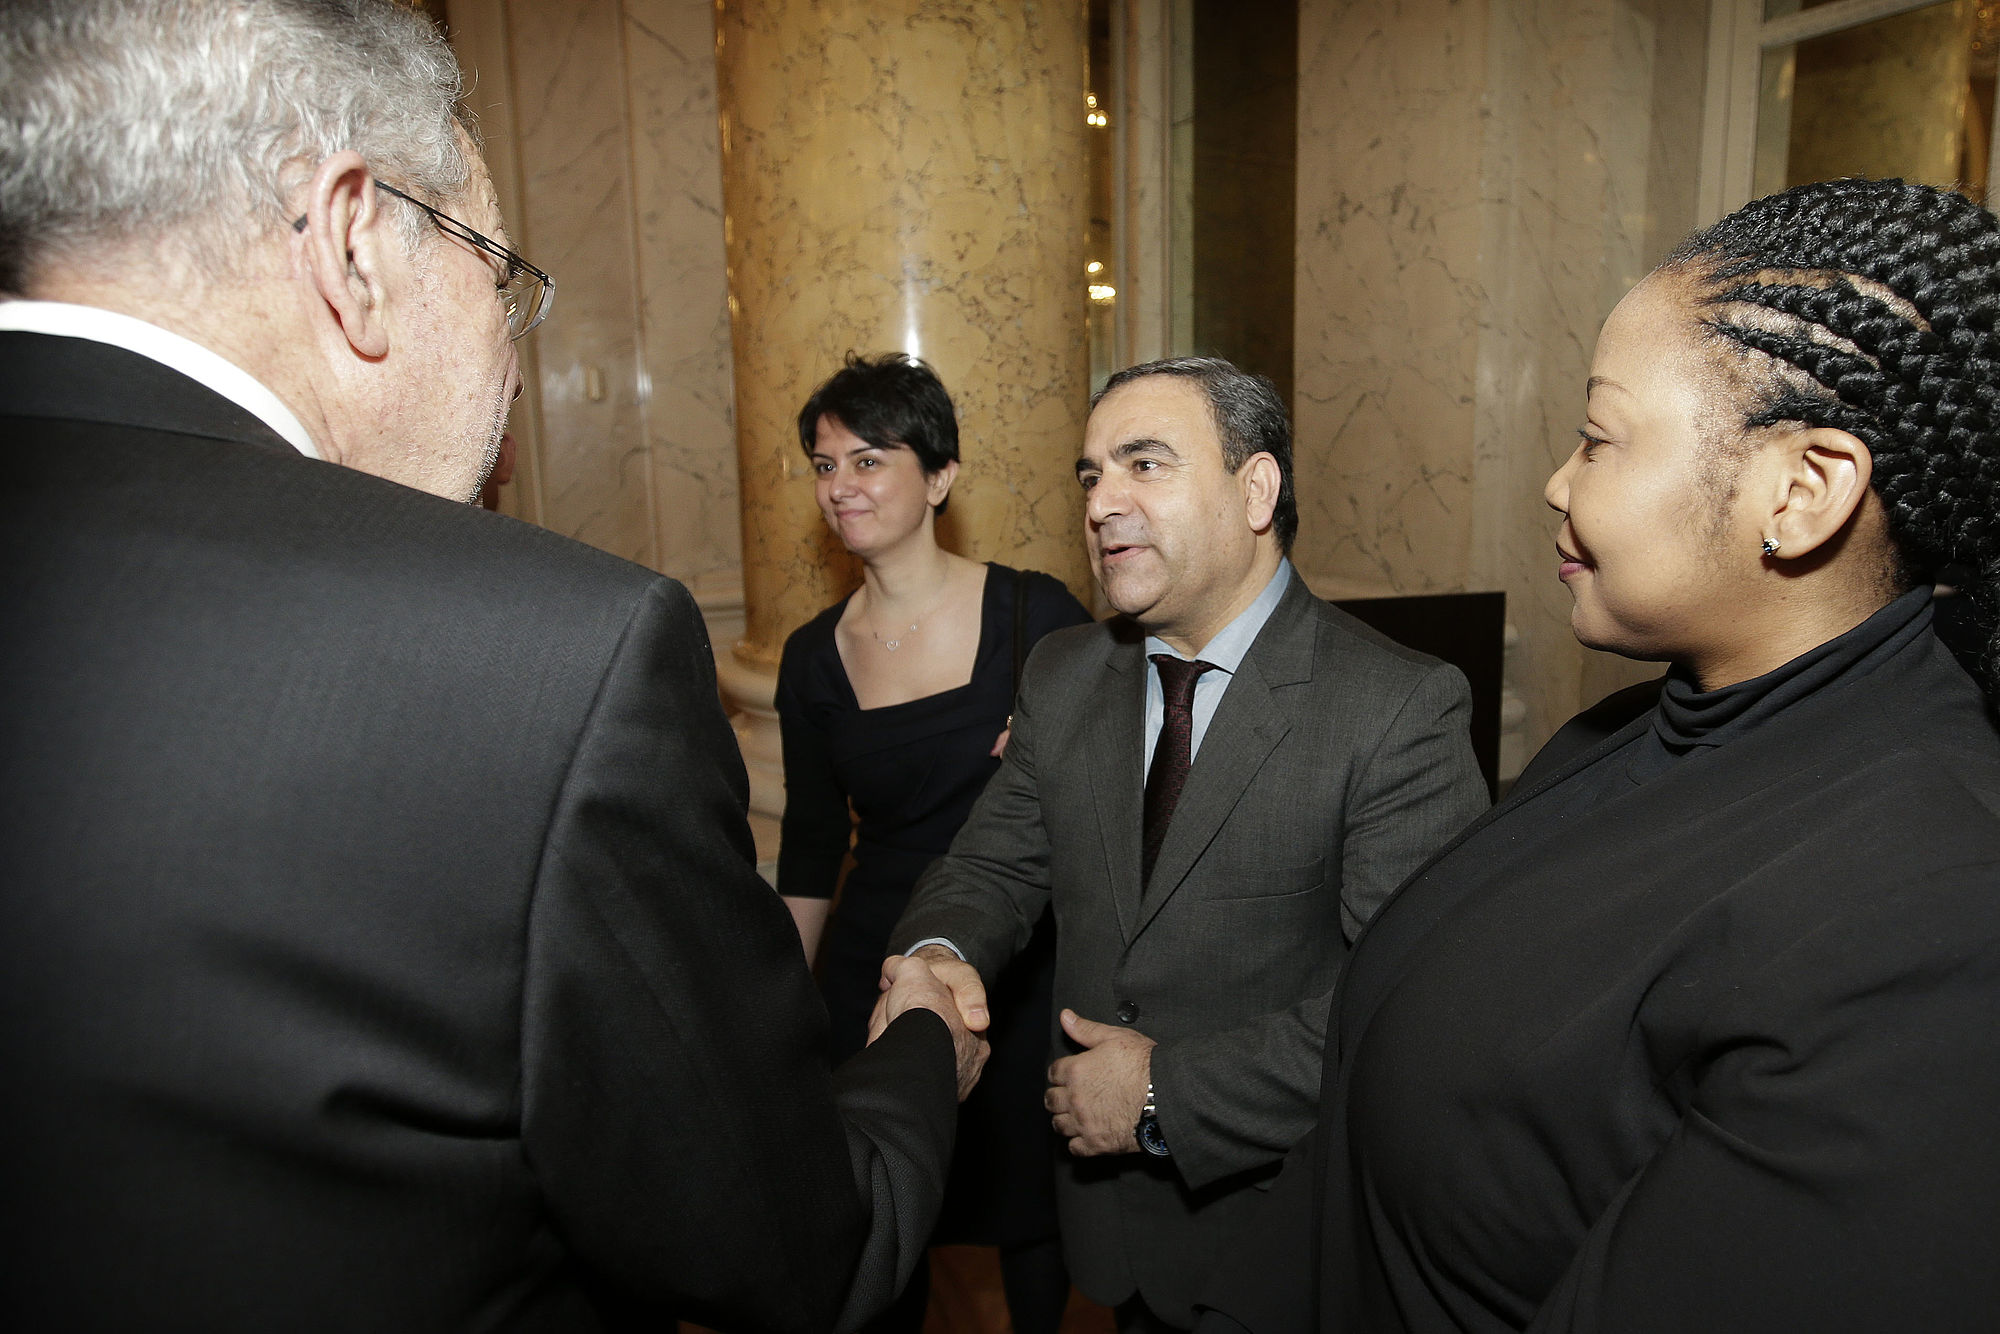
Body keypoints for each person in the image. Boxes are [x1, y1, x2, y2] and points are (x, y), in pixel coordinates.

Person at [0, 2, 982, 1329]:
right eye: (499, 274)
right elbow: (802, 1244)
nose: (515, 366)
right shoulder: (547, 657)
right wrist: (923, 1042)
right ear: (353, 243)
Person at [1197, 177, 2000, 1334]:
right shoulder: (1621, 727)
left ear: (1802, 489)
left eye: (1597, 436)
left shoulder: (1935, 926)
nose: (1556, 481)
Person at [883, 356, 1490, 1331]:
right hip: (1110, 1229)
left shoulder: (1395, 708)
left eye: (1145, 464)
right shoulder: (1064, 672)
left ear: (1256, 490)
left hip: (1281, 1233)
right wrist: (937, 954)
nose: (1100, 503)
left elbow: (1409, 1012)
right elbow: (993, 861)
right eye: (1090, 475)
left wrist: (1164, 1091)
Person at [776, 353, 1094, 1333]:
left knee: (1034, 1215)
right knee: (885, 1206)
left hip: (1025, 957)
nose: (841, 486)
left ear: (940, 476)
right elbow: (811, 840)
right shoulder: (812, 654)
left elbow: (1122, 777)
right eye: (825, 465)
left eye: (868, 459)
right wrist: (777, 1001)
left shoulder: (1035, 616)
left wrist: (1058, 748)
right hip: (881, 959)